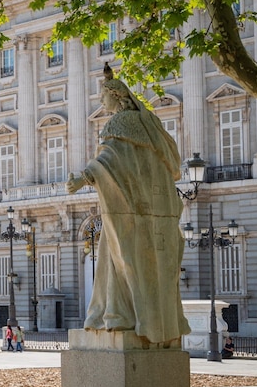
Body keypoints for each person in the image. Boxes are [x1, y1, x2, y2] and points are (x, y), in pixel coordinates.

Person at [67, 63, 188, 345]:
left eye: (103, 96)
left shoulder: (120, 124)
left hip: (130, 209)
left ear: (116, 96)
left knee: (119, 261)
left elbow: (111, 159)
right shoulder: (147, 125)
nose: (100, 102)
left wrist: (84, 178)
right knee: (139, 264)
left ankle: (119, 315)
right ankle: (139, 318)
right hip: (151, 209)